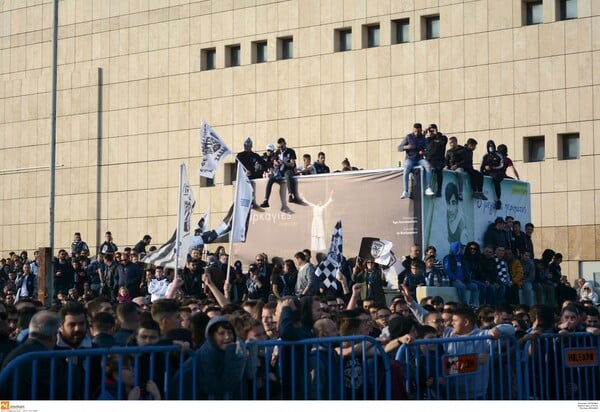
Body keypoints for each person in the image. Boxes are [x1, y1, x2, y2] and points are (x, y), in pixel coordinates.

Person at [1, 311, 70, 400]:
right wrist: (73, 366)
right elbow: (64, 392)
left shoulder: (18, 351)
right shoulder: (42, 358)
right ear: (53, 335)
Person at [260, 137, 302, 208]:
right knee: (270, 180)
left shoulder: (290, 151)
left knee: (288, 175)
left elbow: (292, 164)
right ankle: (266, 200)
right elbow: (274, 162)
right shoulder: (277, 152)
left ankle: (290, 194)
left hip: (288, 169)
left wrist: (285, 162)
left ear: (285, 144)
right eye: (278, 147)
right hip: (279, 171)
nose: (280, 148)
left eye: (282, 147)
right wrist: (277, 163)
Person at [398, 123, 434, 198]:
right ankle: (405, 191)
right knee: (406, 168)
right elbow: (399, 148)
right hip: (410, 158)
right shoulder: (408, 137)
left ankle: (428, 188)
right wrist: (406, 147)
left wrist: (424, 152)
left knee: (428, 165)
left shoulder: (423, 138)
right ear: (413, 130)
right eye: (415, 131)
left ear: (421, 130)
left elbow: (428, 151)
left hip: (419, 159)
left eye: (418, 131)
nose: (416, 133)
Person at [443, 241, 478, 306]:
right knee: (462, 287)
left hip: (464, 280)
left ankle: (472, 304)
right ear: (457, 248)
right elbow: (447, 271)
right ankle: (464, 305)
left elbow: (466, 270)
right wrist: (455, 279)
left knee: (474, 286)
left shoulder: (463, 258)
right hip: (453, 280)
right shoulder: (448, 258)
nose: (463, 250)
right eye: (461, 248)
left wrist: (468, 278)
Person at [480, 139, 505, 210]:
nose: (491, 148)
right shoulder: (485, 156)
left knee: (496, 180)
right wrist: (483, 170)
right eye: (489, 146)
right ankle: (480, 192)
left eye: (492, 146)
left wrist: (492, 168)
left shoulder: (498, 155)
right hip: (487, 173)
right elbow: (481, 166)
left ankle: (498, 199)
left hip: (497, 172)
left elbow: (501, 165)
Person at [425, 124, 447, 197]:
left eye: (432, 130)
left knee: (439, 172)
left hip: (439, 160)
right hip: (429, 160)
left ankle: (439, 190)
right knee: (427, 171)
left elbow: (443, 143)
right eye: (430, 131)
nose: (430, 132)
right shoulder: (428, 139)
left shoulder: (442, 137)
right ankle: (428, 188)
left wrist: (436, 133)